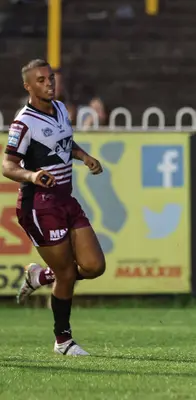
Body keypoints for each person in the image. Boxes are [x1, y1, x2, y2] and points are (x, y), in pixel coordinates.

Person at [2, 59, 106, 356]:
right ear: (28, 86)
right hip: (39, 205)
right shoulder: (24, 122)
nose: (49, 83)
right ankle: (63, 341)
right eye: (42, 80)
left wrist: (84, 157)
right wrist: (32, 175)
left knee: (94, 266)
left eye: (50, 78)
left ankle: (40, 276)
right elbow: (7, 165)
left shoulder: (60, 109)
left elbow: (64, 145)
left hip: (65, 199)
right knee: (67, 274)